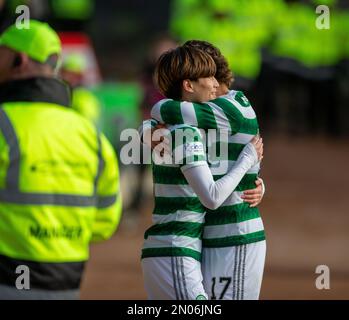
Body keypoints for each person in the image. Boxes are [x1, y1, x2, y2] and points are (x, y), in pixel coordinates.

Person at [0, 20, 122, 299]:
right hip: (67, 280)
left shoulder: (3, 123)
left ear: (19, 60)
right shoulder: (90, 135)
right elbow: (105, 221)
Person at [141, 45, 263, 300]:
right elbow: (212, 195)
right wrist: (247, 160)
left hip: (207, 240)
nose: (214, 85)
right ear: (188, 84)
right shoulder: (188, 127)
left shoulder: (223, 111)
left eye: (214, 75)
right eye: (208, 77)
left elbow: (164, 110)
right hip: (183, 245)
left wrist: (257, 181)